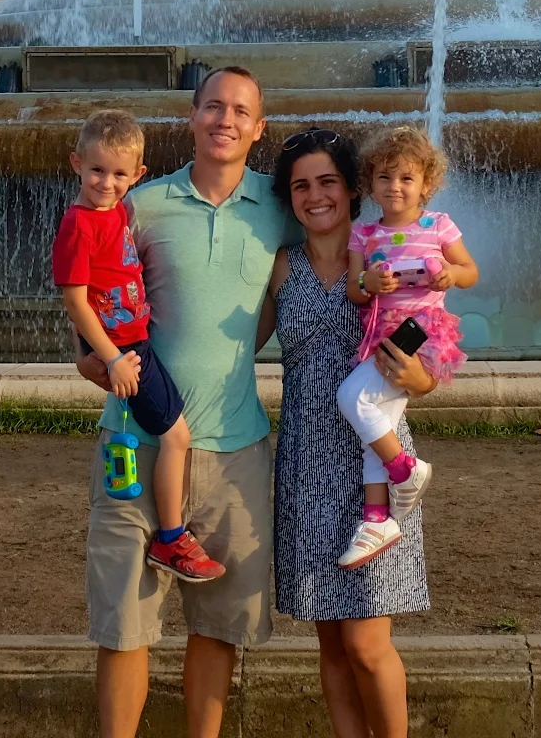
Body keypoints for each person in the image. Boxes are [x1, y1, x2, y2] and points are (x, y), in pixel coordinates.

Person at [74, 65, 285, 738]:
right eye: (213, 106)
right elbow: (93, 308)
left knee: (219, 625)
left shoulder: (280, 207)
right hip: (133, 441)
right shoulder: (141, 203)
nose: (225, 119)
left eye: (240, 111)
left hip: (236, 449)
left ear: (259, 128)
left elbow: (298, 291)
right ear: (192, 117)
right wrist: (98, 363)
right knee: (124, 626)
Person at [267, 126, 438, 738]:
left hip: (371, 466)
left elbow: (426, 359)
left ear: (352, 189)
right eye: (301, 186)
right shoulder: (281, 266)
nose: (316, 196)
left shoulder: (393, 258)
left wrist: (421, 380)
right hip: (304, 462)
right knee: (332, 645)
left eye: (327, 182)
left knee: (367, 642)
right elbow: (230, 341)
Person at [52, 109, 225, 582]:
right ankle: (171, 539)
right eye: (97, 171)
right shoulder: (79, 225)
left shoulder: (116, 212)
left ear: (138, 176)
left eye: (119, 174)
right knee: (176, 437)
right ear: (76, 164)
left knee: (174, 432)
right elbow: (75, 302)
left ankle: (171, 534)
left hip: (130, 344)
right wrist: (108, 359)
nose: (107, 182)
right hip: (126, 351)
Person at [336, 125, 476, 568]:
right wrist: (369, 282)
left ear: (426, 185)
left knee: (350, 398)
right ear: (370, 182)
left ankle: (404, 471)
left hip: (421, 333)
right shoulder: (364, 234)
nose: (395, 187)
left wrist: (451, 275)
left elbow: (470, 270)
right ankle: (377, 518)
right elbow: (354, 291)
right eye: (385, 178)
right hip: (382, 334)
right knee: (379, 429)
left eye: (406, 178)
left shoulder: (438, 225)